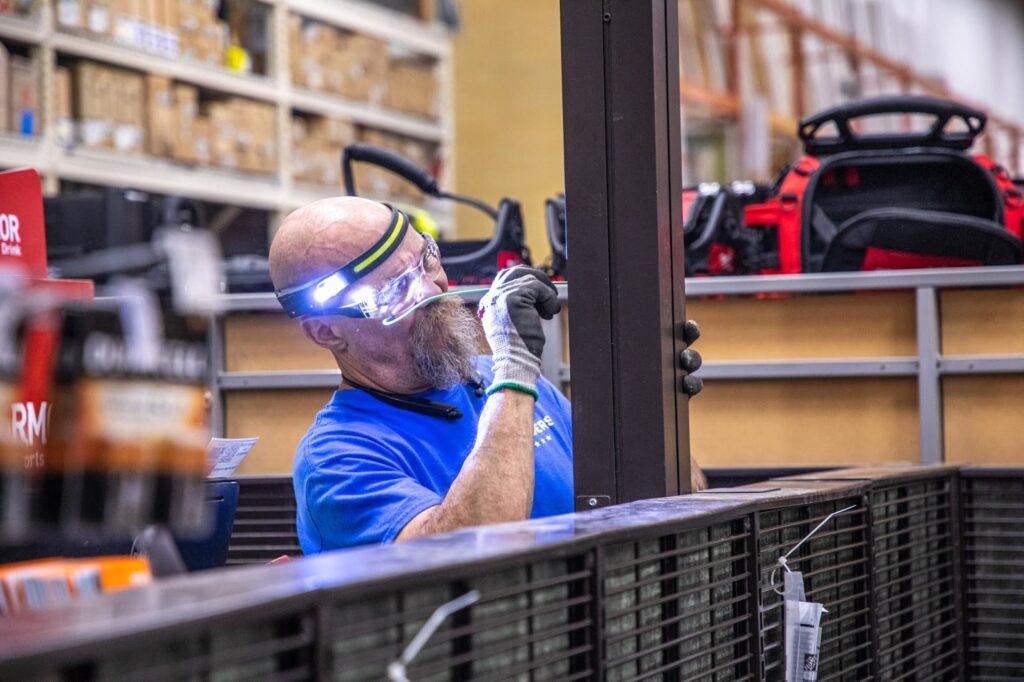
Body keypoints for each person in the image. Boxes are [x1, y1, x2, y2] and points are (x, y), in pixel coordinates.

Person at [269, 197, 704, 554]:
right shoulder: (336, 458)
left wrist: (654, 418)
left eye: (426, 260)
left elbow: (676, 507)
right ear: (325, 330)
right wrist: (515, 370)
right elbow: (475, 558)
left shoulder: (502, 382)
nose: (433, 290)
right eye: (395, 290)